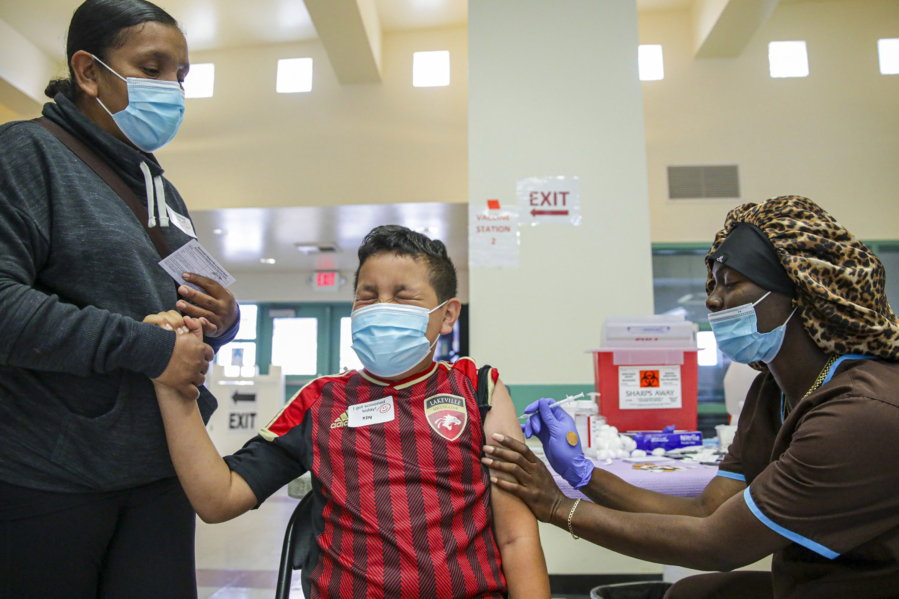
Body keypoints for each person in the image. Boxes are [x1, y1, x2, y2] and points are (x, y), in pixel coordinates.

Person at [482, 196, 899, 598]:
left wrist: (555, 505)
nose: (712, 299)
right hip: (811, 584)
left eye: (731, 284)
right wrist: (582, 474)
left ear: (801, 294)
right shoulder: (770, 393)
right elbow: (706, 510)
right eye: (714, 283)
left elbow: (717, 543)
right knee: (691, 594)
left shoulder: (861, 414)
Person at [149, 225, 550, 599]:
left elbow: (517, 537)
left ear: (446, 316)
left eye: (403, 295)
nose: (381, 306)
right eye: (368, 295)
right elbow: (219, 497)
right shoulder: (320, 401)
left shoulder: (478, 389)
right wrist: (172, 385)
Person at [0, 1, 240, 597]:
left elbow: (184, 302)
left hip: (161, 464)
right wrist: (147, 348)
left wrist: (223, 319)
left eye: (180, 76)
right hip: (51, 474)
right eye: (152, 68)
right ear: (88, 72)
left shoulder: (160, 186)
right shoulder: (25, 155)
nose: (172, 89)